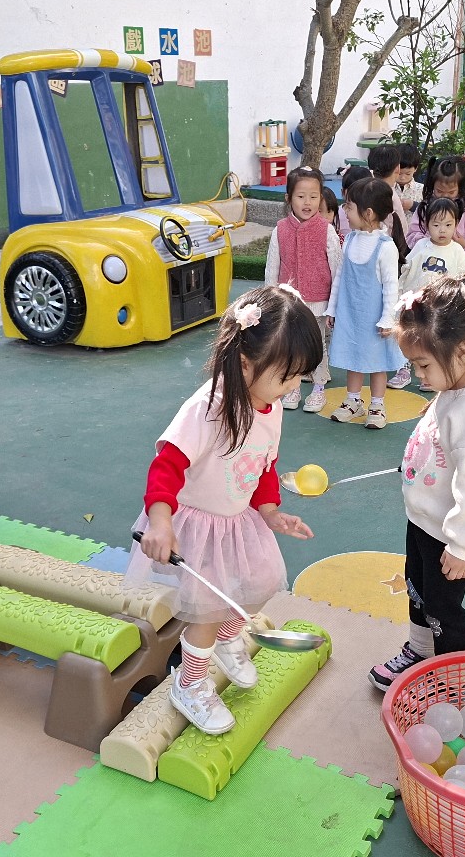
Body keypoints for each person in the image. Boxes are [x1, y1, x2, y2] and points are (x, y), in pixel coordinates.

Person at [129, 287, 322, 734]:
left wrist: (270, 512)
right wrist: (160, 523)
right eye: (287, 377)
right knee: (209, 610)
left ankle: (227, 638)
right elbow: (166, 466)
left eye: (299, 377)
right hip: (195, 526)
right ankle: (190, 683)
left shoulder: (270, 405)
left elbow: (264, 464)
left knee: (260, 582)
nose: (294, 387)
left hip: (238, 521)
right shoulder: (206, 410)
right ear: (245, 364)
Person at [368, 274, 465, 691]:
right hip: (424, 520)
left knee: (443, 612)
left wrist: (463, 545)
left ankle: (450, 681)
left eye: (423, 365)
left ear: (462, 352)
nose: (417, 375)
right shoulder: (455, 388)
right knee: (418, 592)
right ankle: (419, 651)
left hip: (450, 537)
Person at [325, 176, 404, 431]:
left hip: (375, 319)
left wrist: (388, 319)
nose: (344, 211)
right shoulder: (349, 240)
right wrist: (333, 308)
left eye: (349, 207)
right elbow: (340, 277)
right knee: (353, 357)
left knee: (376, 362)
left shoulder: (385, 247)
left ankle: (377, 405)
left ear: (368, 213)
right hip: (350, 314)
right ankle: (353, 401)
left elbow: (391, 287)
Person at [264, 166, 341, 413]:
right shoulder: (280, 229)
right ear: (288, 198)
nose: (307, 202)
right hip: (289, 303)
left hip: (319, 302)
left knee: (317, 345)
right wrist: (270, 300)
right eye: (300, 196)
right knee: (291, 347)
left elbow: (337, 269)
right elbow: (272, 267)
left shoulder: (326, 230)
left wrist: (335, 305)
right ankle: (293, 387)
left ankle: (319, 389)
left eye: (313, 196)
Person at [405, 156, 465, 255]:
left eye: (451, 192)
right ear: (432, 184)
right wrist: (428, 241)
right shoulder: (426, 205)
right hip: (428, 259)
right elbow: (412, 235)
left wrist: (463, 243)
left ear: (461, 188)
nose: (445, 196)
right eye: (439, 191)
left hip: (456, 260)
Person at [399, 197, 465, 295]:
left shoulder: (457, 250)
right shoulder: (421, 245)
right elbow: (406, 268)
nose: (442, 230)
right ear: (427, 225)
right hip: (420, 298)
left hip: (445, 299)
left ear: (456, 224)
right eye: (436, 225)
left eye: (448, 225)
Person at [336, 165, 372, 240]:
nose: (356, 196)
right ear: (343, 192)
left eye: (361, 191)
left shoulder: (372, 214)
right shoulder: (336, 214)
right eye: (351, 191)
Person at [394, 143, 424, 213]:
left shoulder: (422, 190)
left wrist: (413, 206)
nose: (402, 178)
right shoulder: (387, 188)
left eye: (408, 174)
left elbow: (430, 211)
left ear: (415, 169)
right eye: (399, 173)